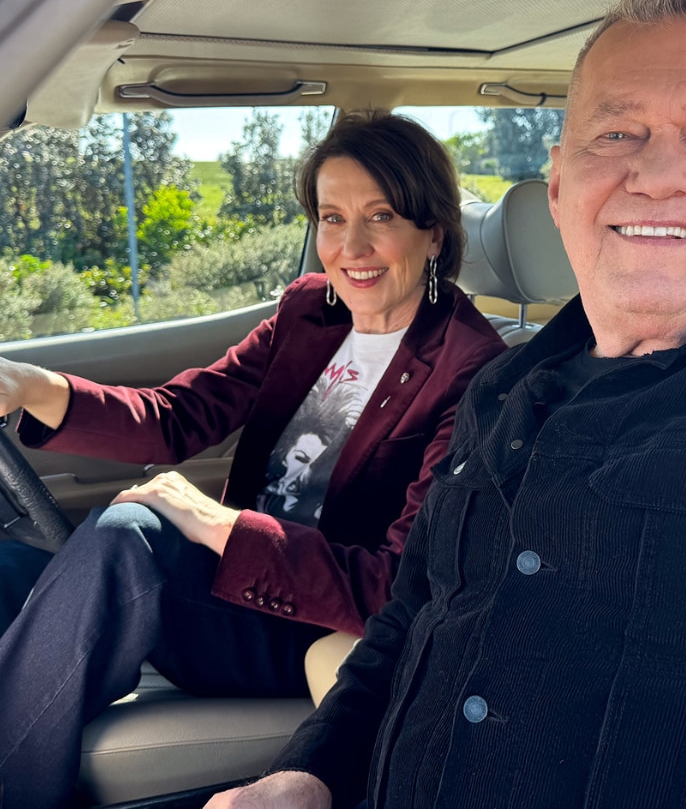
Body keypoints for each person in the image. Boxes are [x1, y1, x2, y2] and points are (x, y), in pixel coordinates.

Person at [206, 0, 686, 809]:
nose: (659, 173)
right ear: (562, 182)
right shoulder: (501, 389)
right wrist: (306, 776)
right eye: (617, 133)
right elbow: (412, 616)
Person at [0, 109, 505, 807]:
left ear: (434, 231)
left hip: (305, 621)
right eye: (332, 218)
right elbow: (178, 418)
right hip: (220, 589)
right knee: (8, 563)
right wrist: (31, 386)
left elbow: (397, 582)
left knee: (127, 539)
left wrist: (219, 526)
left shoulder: (474, 371)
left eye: (381, 216)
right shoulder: (310, 314)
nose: (351, 246)